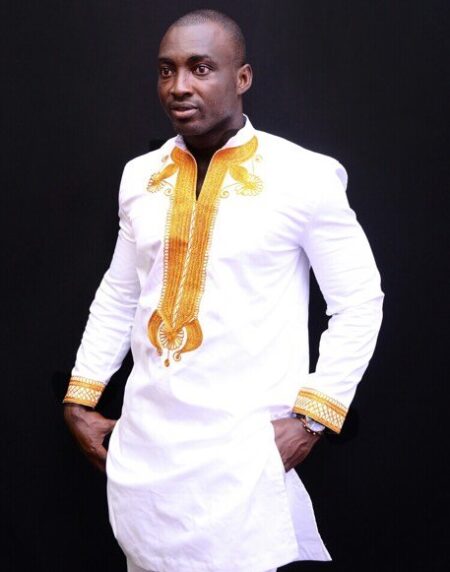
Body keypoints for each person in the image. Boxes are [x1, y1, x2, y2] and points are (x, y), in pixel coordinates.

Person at [63, 9, 384, 572]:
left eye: (201, 68)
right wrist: (80, 399)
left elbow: (359, 302)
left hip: (243, 450)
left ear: (243, 77)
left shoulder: (304, 176)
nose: (179, 86)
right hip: (146, 449)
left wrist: (312, 420)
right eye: (166, 70)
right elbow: (120, 294)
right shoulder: (141, 176)